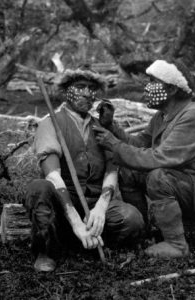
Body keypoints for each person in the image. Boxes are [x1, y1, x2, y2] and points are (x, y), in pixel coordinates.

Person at [93, 59, 195, 259]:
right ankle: (143, 232)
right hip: (187, 188)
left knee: (158, 177)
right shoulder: (163, 116)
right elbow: (139, 144)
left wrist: (113, 144)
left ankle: (177, 245)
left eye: (153, 81)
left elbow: (157, 159)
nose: (147, 87)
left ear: (172, 89)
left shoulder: (192, 116)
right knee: (128, 171)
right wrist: (112, 127)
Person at [24, 65, 145, 272]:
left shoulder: (101, 127)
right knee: (39, 188)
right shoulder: (51, 123)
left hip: (94, 201)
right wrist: (75, 220)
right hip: (63, 204)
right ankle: (47, 250)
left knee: (132, 220)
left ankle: (87, 240)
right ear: (66, 90)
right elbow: (53, 176)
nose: (87, 93)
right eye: (80, 86)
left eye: (92, 88)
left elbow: (111, 170)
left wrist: (101, 207)